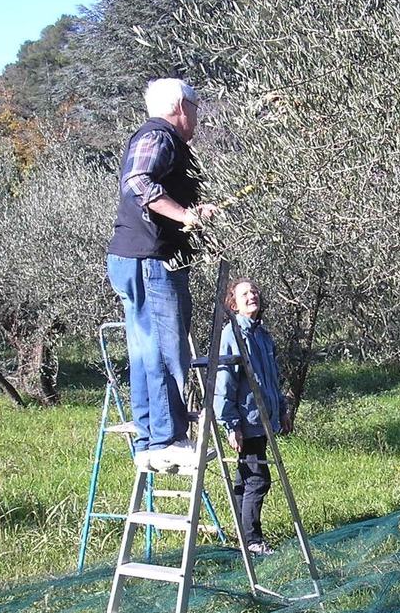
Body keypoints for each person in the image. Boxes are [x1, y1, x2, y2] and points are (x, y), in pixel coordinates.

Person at [107, 78, 219, 467]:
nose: (197, 115)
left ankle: (151, 443)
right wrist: (183, 214)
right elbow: (138, 182)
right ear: (179, 106)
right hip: (151, 260)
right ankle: (168, 438)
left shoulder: (161, 139)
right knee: (165, 348)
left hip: (135, 257)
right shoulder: (160, 135)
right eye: (195, 106)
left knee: (145, 350)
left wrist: (192, 212)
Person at [214, 277, 292, 556]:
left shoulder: (262, 335)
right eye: (245, 293)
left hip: (263, 419)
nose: (252, 296)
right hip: (246, 420)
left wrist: (281, 408)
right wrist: (231, 424)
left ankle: (242, 533)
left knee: (246, 477)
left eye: (255, 292)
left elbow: (272, 377)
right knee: (258, 479)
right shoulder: (231, 334)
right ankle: (252, 540)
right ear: (233, 303)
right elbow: (224, 383)